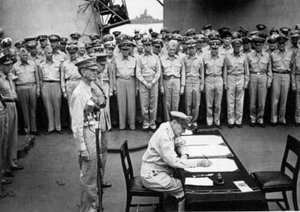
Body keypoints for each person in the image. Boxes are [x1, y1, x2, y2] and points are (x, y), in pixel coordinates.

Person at [140, 111, 212, 212]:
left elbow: (181, 142)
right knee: (183, 187)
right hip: (152, 175)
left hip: (160, 169)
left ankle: (170, 203)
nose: (183, 132)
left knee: (181, 179)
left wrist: (184, 155)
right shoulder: (164, 136)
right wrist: (198, 163)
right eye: (183, 128)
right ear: (175, 122)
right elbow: (173, 162)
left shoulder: (168, 127)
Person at [70, 57, 106, 212]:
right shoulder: (79, 93)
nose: (95, 72)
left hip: (93, 131)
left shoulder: (88, 88)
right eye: (91, 70)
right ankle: (87, 208)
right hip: (86, 134)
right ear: (83, 71)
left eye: (95, 69)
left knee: (94, 171)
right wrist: (82, 148)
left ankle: (93, 204)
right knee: (88, 175)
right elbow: (77, 124)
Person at [0, 55, 24, 174]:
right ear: (1, 66)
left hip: (13, 105)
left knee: (13, 135)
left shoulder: (10, 77)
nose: (10, 67)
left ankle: (12, 162)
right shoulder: (0, 79)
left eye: (10, 64)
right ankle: (3, 168)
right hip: (5, 106)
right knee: (5, 137)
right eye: (7, 65)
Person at [11, 48, 40, 135]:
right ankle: (27, 129)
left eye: (27, 54)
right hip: (21, 88)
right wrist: (14, 92)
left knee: (33, 109)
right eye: (23, 55)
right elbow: (12, 81)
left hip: (32, 86)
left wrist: (38, 89)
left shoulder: (33, 64)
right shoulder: (15, 66)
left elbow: (37, 78)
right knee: (24, 109)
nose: (25, 56)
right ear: (19, 56)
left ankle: (34, 129)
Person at [136, 37, 161, 130]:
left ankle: (152, 121)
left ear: (151, 46)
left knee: (153, 104)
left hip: (154, 82)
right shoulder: (139, 58)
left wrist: (153, 81)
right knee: (144, 104)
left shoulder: (156, 57)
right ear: (143, 46)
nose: (147, 47)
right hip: (143, 82)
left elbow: (158, 71)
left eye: (149, 45)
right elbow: (138, 72)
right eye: (145, 45)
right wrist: (145, 82)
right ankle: (146, 121)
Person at [247, 36, 272, 127]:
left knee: (262, 100)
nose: (258, 47)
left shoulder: (267, 55)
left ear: (263, 45)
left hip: (263, 76)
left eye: (260, 45)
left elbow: (269, 69)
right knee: (252, 100)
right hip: (253, 76)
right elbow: (246, 69)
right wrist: (247, 80)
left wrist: (269, 80)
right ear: (254, 45)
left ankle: (260, 118)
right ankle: (252, 118)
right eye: (256, 45)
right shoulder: (249, 55)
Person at [112, 39, 137, 130]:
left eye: (127, 49)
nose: (125, 51)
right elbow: (113, 74)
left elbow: (136, 74)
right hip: (120, 81)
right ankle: (122, 125)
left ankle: (132, 124)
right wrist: (114, 87)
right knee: (121, 104)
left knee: (131, 104)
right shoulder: (116, 60)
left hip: (131, 80)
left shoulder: (134, 59)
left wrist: (137, 87)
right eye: (123, 49)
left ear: (130, 50)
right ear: (120, 50)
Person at [224, 38, 249, 128]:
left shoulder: (244, 56)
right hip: (231, 77)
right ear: (232, 46)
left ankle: (238, 121)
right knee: (230, 100)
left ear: (241, 46)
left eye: (238, 46)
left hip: (240, 77)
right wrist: (225, 82)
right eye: (235, 46)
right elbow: (225, 70)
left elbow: (246, 70)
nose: (237, 48)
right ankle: (231, 121)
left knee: (240, 100)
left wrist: (246, 82)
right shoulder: (228, 55)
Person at [270, 35, 293, 126]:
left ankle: (282, 118)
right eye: (280, 43)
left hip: (286, 75)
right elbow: (270, 68)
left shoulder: (290, 53)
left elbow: (292, 66)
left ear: (286, 43)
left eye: (283, 43)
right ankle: (273, 119)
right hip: (276, 75)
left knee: (284, 98)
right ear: (277, 44)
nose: (281, 45)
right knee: (275, 98)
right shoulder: (273, 54)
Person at [39, 46, 63, 134]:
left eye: (51, 53)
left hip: (56, 83)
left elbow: (61, 76)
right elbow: (40, 78)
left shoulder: (58, 64)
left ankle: (58, 127)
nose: (49, 54)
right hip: (45, 84)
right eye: (48, 53)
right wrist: (41, 88)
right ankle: (51, 127)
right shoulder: (41, 65)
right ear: (44, 54)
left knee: (57, 106)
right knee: (48, 107)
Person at [203, 38, 226, 128]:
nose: (214, 50)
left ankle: (217, 121)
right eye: (213, 48)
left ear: (219, 49)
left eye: (216, 48)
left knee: (218, 103)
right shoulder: (205, 58)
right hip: (209, 79)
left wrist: (224, 82)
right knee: (209, 103)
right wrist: (203, 84)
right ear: (210, 48)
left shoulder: (222, 58)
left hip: (218, 79)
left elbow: (224, 71)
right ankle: (209, 121)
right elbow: (203, 72)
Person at [160, 40, 185, 121]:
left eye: (174, 49)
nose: (172, 51)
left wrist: (182, 86)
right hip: (166, 81)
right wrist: (161, 86)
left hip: (176, 81)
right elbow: (160, 74)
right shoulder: (162, 59)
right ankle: (167, 121)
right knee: (166, 103)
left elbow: (183, 73)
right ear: (167, 49)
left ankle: (175, 121)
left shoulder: (180, 59)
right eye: (170, 49)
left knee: (175, 103)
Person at [183, 39, 204, 127]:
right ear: (188, 49)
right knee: (188, 102)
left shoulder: (199, 59)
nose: (191, 50)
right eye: (190, 48)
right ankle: (188, 120)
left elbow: (202, 72)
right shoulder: (184, 59)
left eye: (193, 48)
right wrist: (183, 84)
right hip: (188, 80)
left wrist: (202, 84)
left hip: (196, 81)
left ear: (196, 49)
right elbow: (183, 72)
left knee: (196, 103)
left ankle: (194, 120)